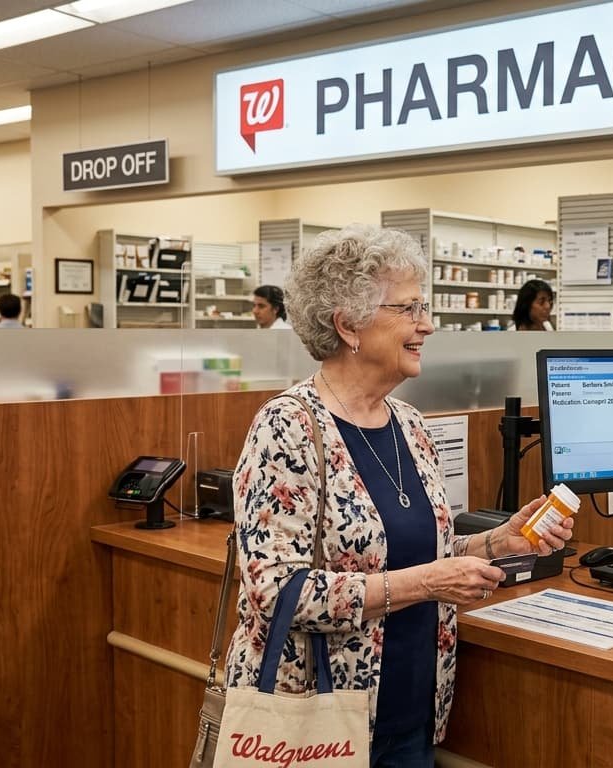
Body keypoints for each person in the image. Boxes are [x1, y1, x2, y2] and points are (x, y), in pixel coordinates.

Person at [226, 224, 571, 766]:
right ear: (349, 325)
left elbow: (421, 557)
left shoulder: (409, 424)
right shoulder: (287, 427)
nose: (426, 326)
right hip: (315, 724)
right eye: (408, 309)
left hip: (412, 714)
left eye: (424, 307)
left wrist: (496, 544)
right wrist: (429, 582)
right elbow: (276, 592)